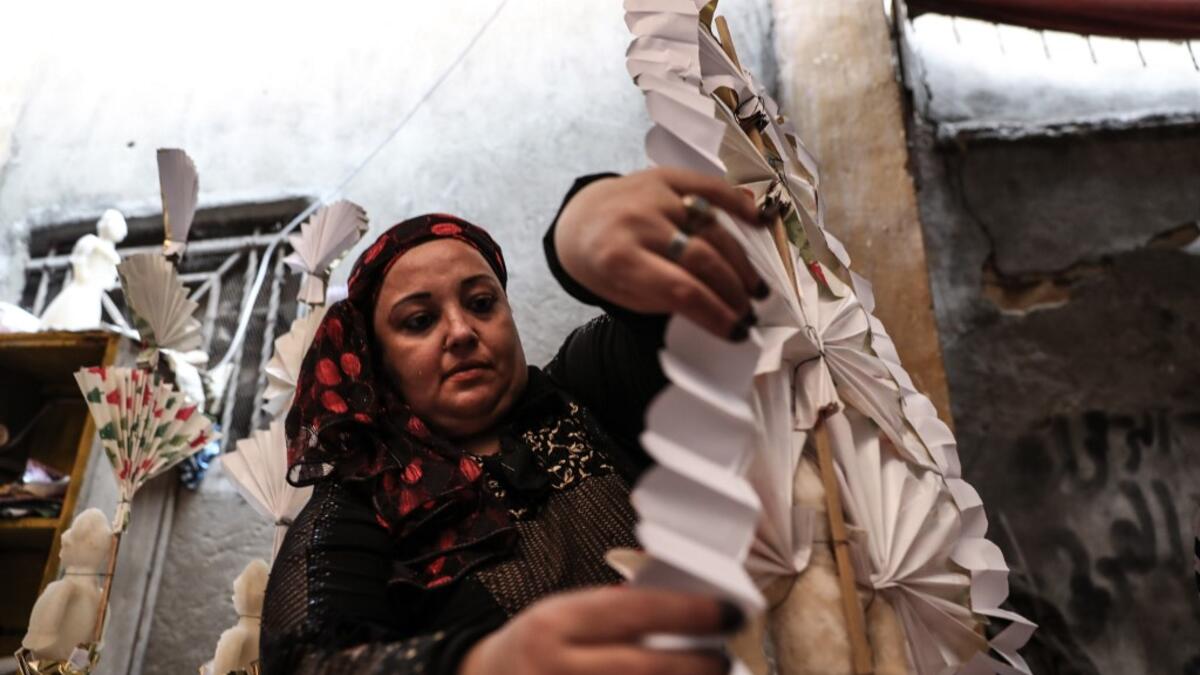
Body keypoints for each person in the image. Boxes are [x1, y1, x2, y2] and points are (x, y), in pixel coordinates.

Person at [260, 168, 773, 674]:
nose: (461, 331)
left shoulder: (585, 387)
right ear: (378, 363)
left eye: (482, 303)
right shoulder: (359, 510)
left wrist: (578, 228)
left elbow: (682, 325)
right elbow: (307, 663)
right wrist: (481, 664)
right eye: (420, 321)